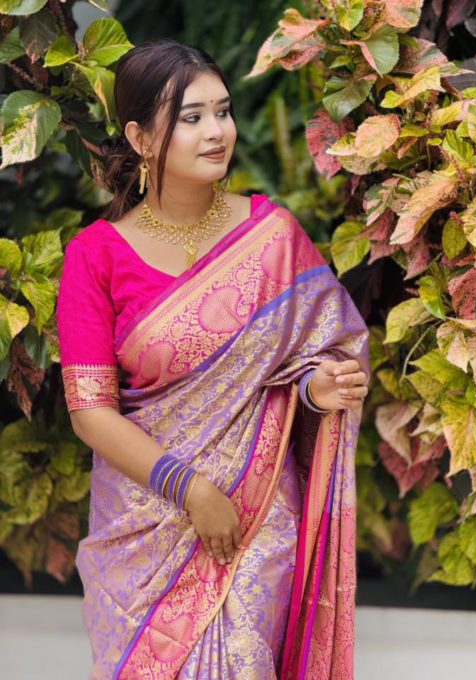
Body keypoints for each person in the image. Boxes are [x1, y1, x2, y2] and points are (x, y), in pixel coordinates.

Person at [56, 38, 370, 680]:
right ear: (141, 138)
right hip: (144, 530)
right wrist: (192, 489)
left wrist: (319, 388)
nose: (216, 131)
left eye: (222, 112)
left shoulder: (273, 237)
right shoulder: (96, 256)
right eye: (191, 117)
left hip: (256, 520)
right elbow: (90, 413)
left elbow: (308, 361)